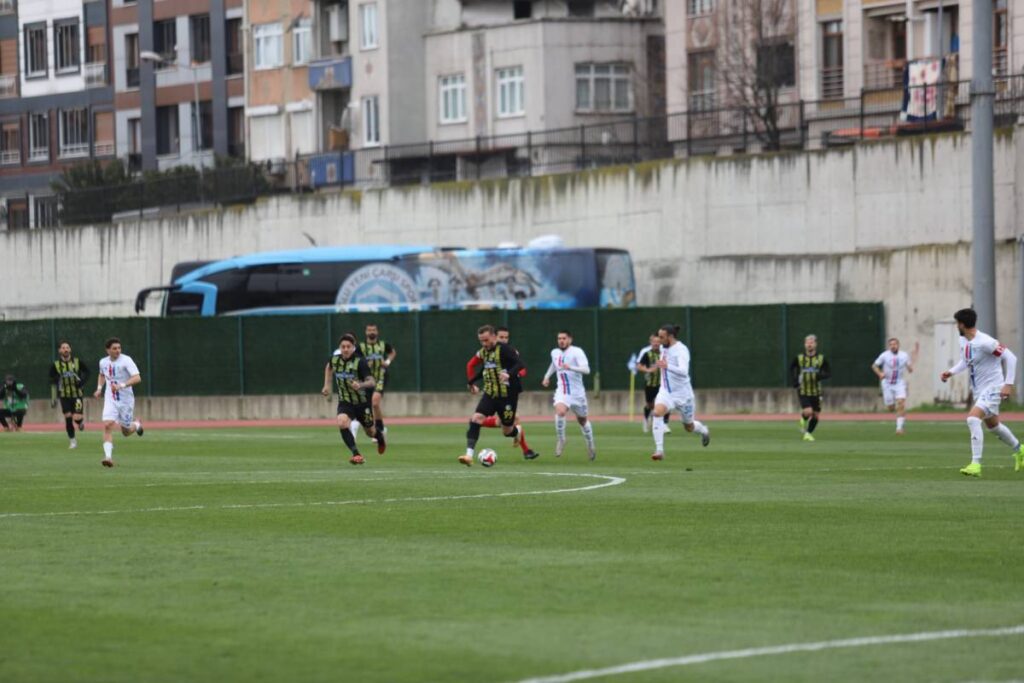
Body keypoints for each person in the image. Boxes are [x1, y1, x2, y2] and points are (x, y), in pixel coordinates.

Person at [940, 307, 1022, 477]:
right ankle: (1020, 450)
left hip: (993, 387)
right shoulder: (964, 341)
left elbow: (1011, 357)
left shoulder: (986, 341)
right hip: (980, 390)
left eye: (957, 324)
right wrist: (951, 372)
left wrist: (1008, 384)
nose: (957, 327)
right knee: (993, 426)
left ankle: (975, 464)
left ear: (962, 324)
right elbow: (965, 361)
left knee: (972, 418)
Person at [465, 325, 538, 460]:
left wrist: (510, 374)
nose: (484, 343)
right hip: (490, 393)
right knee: (476, 418)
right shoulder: (484, 352)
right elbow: (480, 368)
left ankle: (517, 433)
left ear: (493, 337)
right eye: (481, 341)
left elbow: (521, 365)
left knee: (507, 430)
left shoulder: (507, 350)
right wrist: (471, 382)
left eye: (486, 340)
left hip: (508, 396)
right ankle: (468, 455)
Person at [649, 324, 710, 460]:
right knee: (657, 413)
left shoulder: (681, 350)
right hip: (665, 392)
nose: (659, 340)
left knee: (689, 427)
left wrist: (667, 366)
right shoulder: (662, 347)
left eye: (661, 337)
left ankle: (704, 430)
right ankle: (659, 450)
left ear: (670, 337)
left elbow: (683, 371)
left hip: (683, 395)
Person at [323, 334, 385, 465]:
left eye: (348, 347)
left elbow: (372, 381)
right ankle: (356, 454)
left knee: (370, 432)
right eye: (343, 347)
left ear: (353, 348)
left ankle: (380, 437)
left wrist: (360, 385)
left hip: (362, 403)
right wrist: (327, 385)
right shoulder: (335, 359)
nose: (345, 349)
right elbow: (328, 367)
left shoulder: (360, 362)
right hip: (345, 401)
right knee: (342, 422)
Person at [542, 330, 596, 460]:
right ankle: (561, 439)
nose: (561, 340)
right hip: (562, 390)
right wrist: (546, 376)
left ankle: (590, 444)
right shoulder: (554, 352)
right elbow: (554, 364)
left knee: (582, 420)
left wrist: (570, 367)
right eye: (559, 338)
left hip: (577, 393)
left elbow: (587, 369)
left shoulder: (577, 351)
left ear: (570, 339)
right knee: (560, 411)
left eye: (564, 338)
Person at [93, 338, 144, 468]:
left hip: (126, 400)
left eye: (119, 348)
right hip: (111, 399)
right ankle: (108, 457)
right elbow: (102, 375)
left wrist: (122, 385)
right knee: (108, 424)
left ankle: (136, 424)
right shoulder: (103, 362)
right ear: (108, 350)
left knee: (126, 431)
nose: (118, 351)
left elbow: (137, 377)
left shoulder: (126, 360)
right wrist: (99, 389)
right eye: (114, 348)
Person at [355, 324, 396, 441]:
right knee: (366, 406)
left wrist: (387, 361)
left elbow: (392, 352)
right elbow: (355, 360)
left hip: (380, 378)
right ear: (365, 332)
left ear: (377, 332)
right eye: (369, 330)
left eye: (373, 330)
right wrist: (364, 364)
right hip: (366, 380)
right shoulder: (361, 347)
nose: (371, 332)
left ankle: (379, 429)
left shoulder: (383, 345)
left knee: (375, 402)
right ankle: (380, 428)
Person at [871, 338, 917, 435]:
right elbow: (874, 366)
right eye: (891, 344)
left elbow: (909, 368)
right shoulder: (884, 355)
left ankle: (899, 428)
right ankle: (894, 408)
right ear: (889, 346)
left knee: (901, 403)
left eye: (895, 344)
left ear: (898, 345)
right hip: (887, 383)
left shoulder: (904, 355)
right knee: (891, 407)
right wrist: (880, 374)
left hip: (899, 383)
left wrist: (910, 367)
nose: (893, 346)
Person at [790, 334, 831, 442]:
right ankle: (803, 418)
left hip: (816, 391)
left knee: (816, 416)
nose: (809, 344)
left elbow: (828, 372)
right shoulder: (799, 358)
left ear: (815, 344)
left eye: (811, 342)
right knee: (808, 411)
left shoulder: (821, 358)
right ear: (804, 344)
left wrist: (820, 376)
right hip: (803, 389)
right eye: (807, 342)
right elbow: (792, 367)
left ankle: (808, 433)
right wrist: (795, 380)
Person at [49, 340, 89, 449]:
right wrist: (53, 398)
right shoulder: (56, 365)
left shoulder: (77, 362)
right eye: (63, 347)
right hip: (64, 395)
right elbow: (52, 380)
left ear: (70, 349)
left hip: (77, 395)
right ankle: (72, 441)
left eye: (67, 347)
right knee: (68, 417)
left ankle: (80, 422)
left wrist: (82, 382)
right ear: (59, 350)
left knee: (76, 417)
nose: (65, 349)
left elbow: (87, 371)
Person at [636, 333, 671, 433]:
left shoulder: (664, 353)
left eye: (658, 342)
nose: (656, 344)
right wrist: (648, 370)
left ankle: (665, 424)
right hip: (650, 384)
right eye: (654, 342)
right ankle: (646, 420)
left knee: (666, 403)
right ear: (650, 342)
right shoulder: (647, 354)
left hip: (663, 384)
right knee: (650, 405)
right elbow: (639, 366)